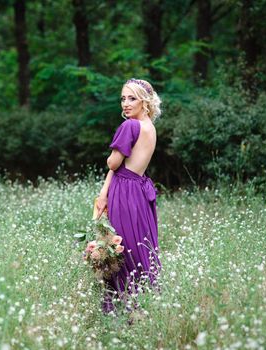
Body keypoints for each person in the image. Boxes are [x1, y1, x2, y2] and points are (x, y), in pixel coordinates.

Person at [95, 78, 162, 315]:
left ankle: (119, 308)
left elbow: (113, 163)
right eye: (123, 98)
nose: (125, 103)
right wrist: (103, 194)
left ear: (144, 101)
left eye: (131, 98)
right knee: (138, 244)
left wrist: (109, 159)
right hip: (139, 189)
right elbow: (119, 168)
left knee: (120, 246)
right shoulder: (149, 127)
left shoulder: (129, 127)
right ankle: (144, 303)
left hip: (125, 190)